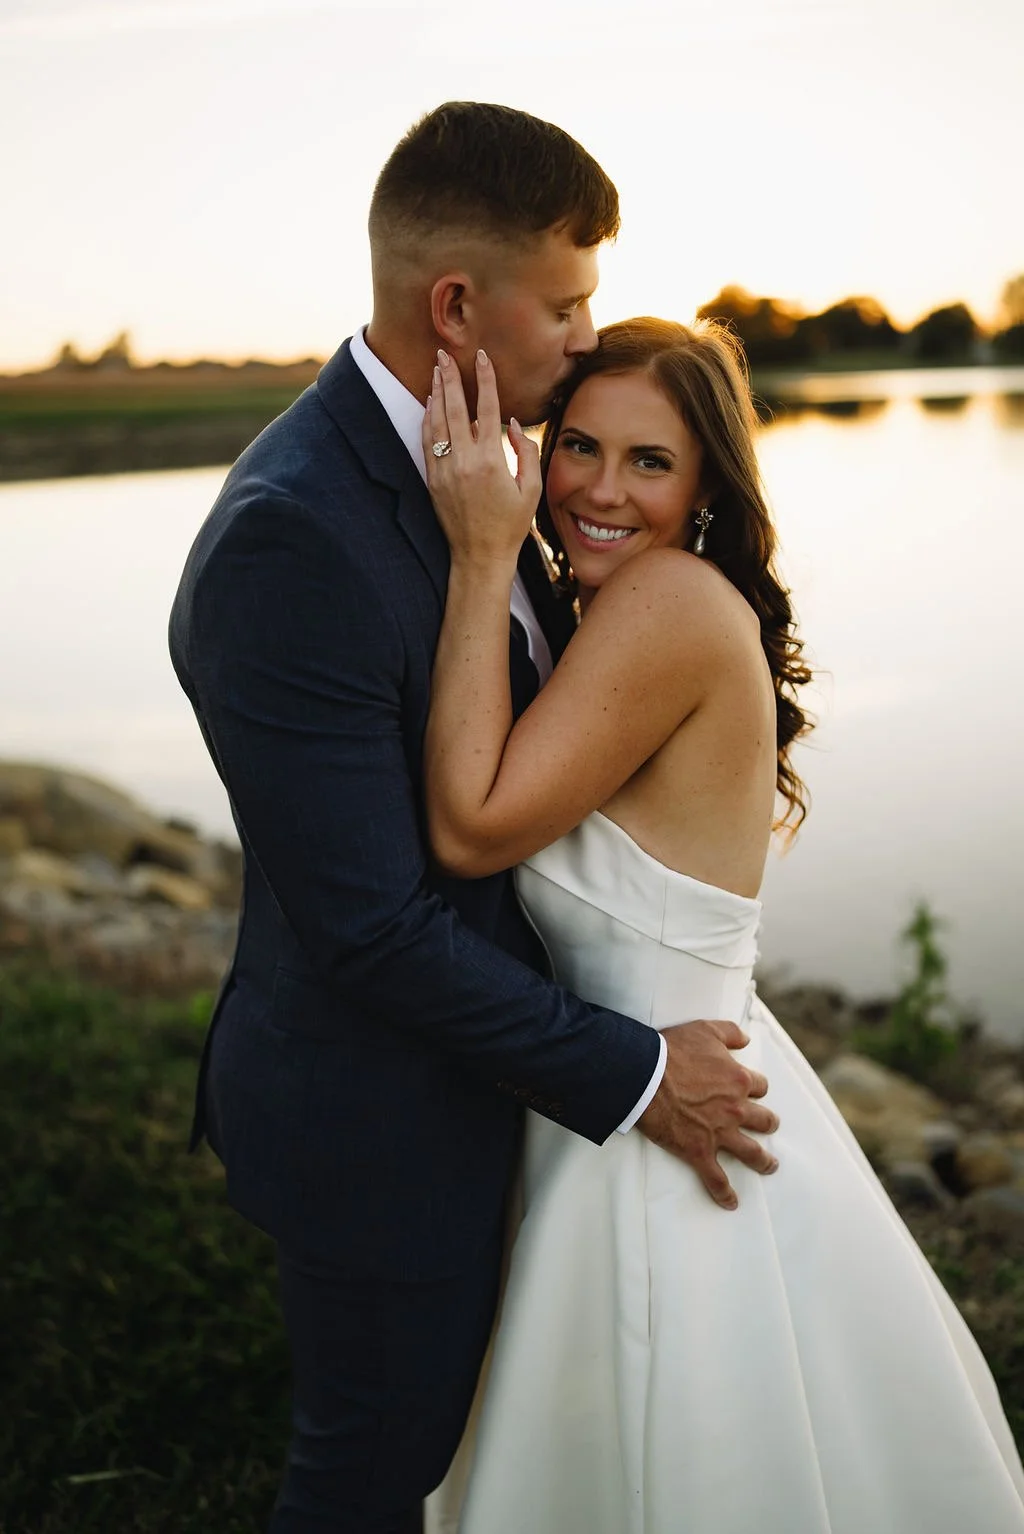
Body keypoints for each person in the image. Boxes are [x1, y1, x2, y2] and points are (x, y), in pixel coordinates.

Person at [167, 105, 780, 1534]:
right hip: (380, 1123)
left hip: (503, 1100)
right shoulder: (295, 536)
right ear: (457, 305)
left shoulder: (494, 478)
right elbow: (374, 923)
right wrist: (633, 1073)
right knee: (373, 1480)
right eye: (566, 303)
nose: (587, 334)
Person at [419, 320, 1024, 1533]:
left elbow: (473, 826)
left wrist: (482, 553)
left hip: (666, 1118)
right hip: (632, 1092)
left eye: (650, 462)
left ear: (705, 488)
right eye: (579, 444)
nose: (598, 486)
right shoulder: (622, 606)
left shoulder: (670, 605)